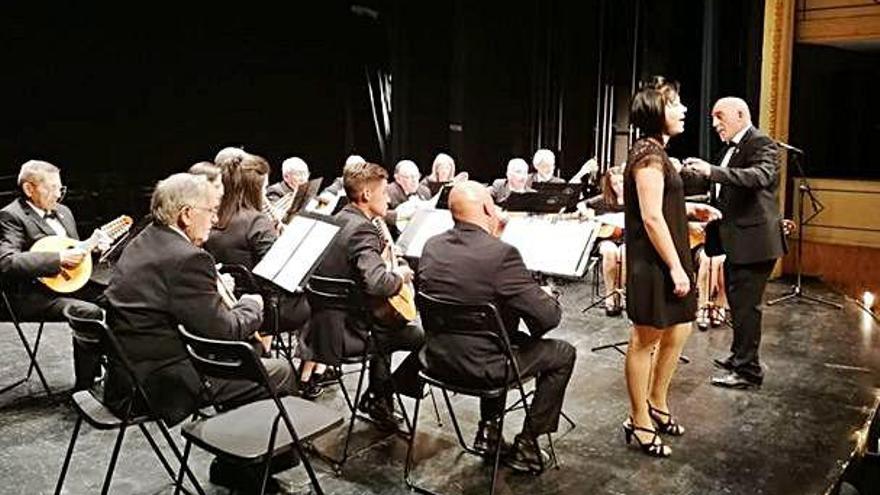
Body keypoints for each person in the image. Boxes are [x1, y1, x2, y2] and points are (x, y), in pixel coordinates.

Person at [419, 180, 575, 471]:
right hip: (484, 368)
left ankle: (489, 431)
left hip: (435, 359)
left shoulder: (432, 246)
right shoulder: (502, 255)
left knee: (497, 336)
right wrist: (546, 296)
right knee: (563, 353)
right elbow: (547, 319)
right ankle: (528, 444)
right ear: (489, 208)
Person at [623, 77, 720, 457]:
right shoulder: (648, 155)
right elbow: (650, 217)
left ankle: (657, 403)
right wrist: (677, 268)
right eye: (675, 104)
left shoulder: (658, 153)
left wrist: (690, 211)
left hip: (668, 258)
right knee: (645, 341)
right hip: (654, 265)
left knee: (677, 331)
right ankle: (639, 421)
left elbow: (662, 205)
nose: (683, 110)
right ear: (655, 112)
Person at [306, 161, 424, 430]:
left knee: (385, 327)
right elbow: (377, 283)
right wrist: (401, 276)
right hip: (350, 333)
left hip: (323, 328)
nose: (388, 199)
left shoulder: (339, 220)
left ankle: (377, 398)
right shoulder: (362, 229)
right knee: (422, 337)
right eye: (384, 193)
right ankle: (383, 392)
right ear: (367, 195)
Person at [684, 97, 786, 389]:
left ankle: (748, 372)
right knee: (739, 305)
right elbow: (723, 192)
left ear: (740, 114)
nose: (715, 123)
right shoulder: (731, 148)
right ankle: (739, 357)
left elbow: (759, 176)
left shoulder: (762, 143)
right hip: (739, 242)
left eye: (719, 116)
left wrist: (711, 171)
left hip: (755, 244)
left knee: (746, 308)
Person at [203, 152, 323, 399]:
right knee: (323, 304)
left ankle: (269, 356)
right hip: (266, 308)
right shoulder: (255, 221)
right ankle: (307, 376)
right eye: (265, 187)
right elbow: (280, 276)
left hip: (229, 304)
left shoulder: (212, 219)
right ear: (255, 188)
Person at [0, 160, 110, 390]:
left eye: (61, 188)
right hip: (31, 295)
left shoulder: (64, 212)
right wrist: (57, 259)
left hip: (64, 286)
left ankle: (116, 372)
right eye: (51, 188)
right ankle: (85, 387)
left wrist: (94, 249)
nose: (58, 195)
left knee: (119, 297)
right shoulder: (11, 216)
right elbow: (7, 262)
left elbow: (76, 260)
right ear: (29, 189)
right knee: (87, 311)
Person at [585, 166, 626, 316]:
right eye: (615, 184)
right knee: (610, 251)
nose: (619, 187)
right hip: (608, 238)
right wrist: (590, 215)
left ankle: (620, 292)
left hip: (628, 239)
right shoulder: (605, 199)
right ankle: (610, 295)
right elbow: (582, 205)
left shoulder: (635, 199)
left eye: (621, 182)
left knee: (624, 251)